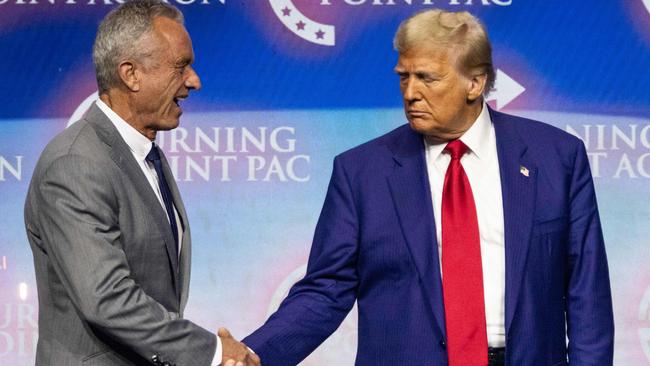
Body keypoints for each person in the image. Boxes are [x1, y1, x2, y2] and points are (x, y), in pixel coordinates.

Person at [243, 9, 614, 366]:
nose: (410, 93)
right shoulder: (361, 173)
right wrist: (248, 356)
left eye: (427, 78)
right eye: (404, 77)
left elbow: (587, 293)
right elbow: (325, 292)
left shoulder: (556, 158)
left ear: (475, 82)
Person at [23, 1, 259, 365]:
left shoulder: (146, 154)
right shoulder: (75, 164)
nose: (194, 81)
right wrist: (211, 352)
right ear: (130, 74)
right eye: (181, 67)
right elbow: (108, 298)